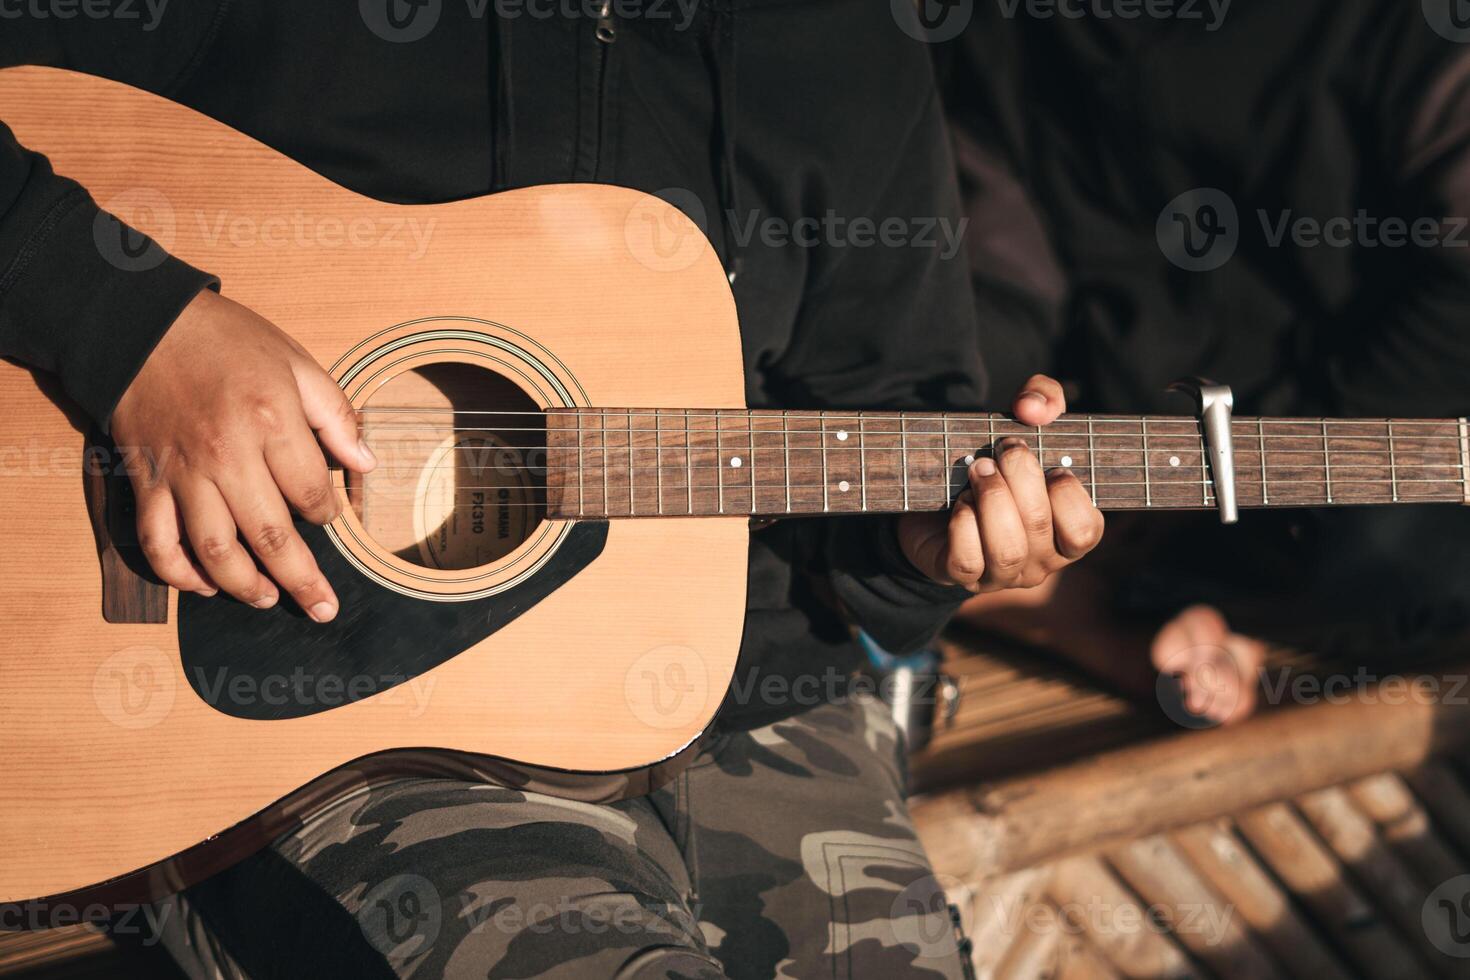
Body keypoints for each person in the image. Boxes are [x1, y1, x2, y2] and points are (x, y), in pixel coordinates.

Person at [0, 4, 1103, 977]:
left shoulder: (843, 32)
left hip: (762, 696)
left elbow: (892, 409)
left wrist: (926, 549)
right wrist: (137, 334)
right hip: (313, 727)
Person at [938, 0, 1470, 726]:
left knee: (1399, 540)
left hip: (1345, 432)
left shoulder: (1415, 31)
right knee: (943, 445)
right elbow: (1002, 262)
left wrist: (1252, 481)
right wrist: (987, 400)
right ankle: (1081, 605)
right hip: (1118, 435)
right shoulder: (998, 33)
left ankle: (1132, 600)